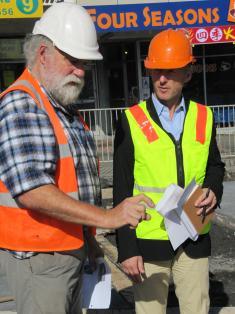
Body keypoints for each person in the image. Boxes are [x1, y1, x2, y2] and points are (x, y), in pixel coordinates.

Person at [0, 3, 154, 314]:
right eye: (73, 60)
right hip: (40, 260)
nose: (81, 71)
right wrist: (108, 217)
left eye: (84, 63)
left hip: (65, 253)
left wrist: (89, 240)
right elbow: (33, 190)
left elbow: (71, 186)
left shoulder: (60, 105)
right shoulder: (22, 103)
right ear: (43, 54)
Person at [114, 29, 225, 314]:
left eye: (170, 72)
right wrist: (127, 249)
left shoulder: (204, 116)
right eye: (155, 71)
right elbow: (121, 189)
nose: (161, 79)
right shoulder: (131, 120)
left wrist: (213, 190)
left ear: (188, 73)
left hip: (194, 235)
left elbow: (215, 166)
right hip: (149, 239)